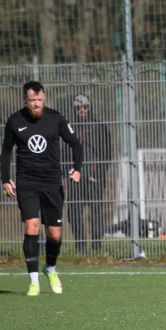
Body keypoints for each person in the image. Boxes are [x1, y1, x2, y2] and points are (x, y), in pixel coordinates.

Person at [0, 81, 83, 296]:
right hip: (27, 182)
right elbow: (6, 151)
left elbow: (76, 143)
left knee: (54, 235)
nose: (36, 104)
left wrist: (76, 168)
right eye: (32, 100)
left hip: (52, 182)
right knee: (32, 227)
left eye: (40, 100)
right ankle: (33, 281)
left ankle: (51, 269)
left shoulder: (56, 118)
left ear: (44, 99)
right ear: (25, 100)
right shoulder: (15, 121)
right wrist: (5, 178)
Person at [65, 95, 112, 253]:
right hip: (75, 179)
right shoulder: (69, 127)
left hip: (94, 177)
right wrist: (68, 173)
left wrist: (98, 174)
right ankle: (80, 248)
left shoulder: (99, 127)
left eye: (85, 107)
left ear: (90, 107)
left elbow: (106, 154)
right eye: (78, 108)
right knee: (74, 213)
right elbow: (63, 153)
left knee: (95, 212)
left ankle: (97, 248)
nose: (82, 110)